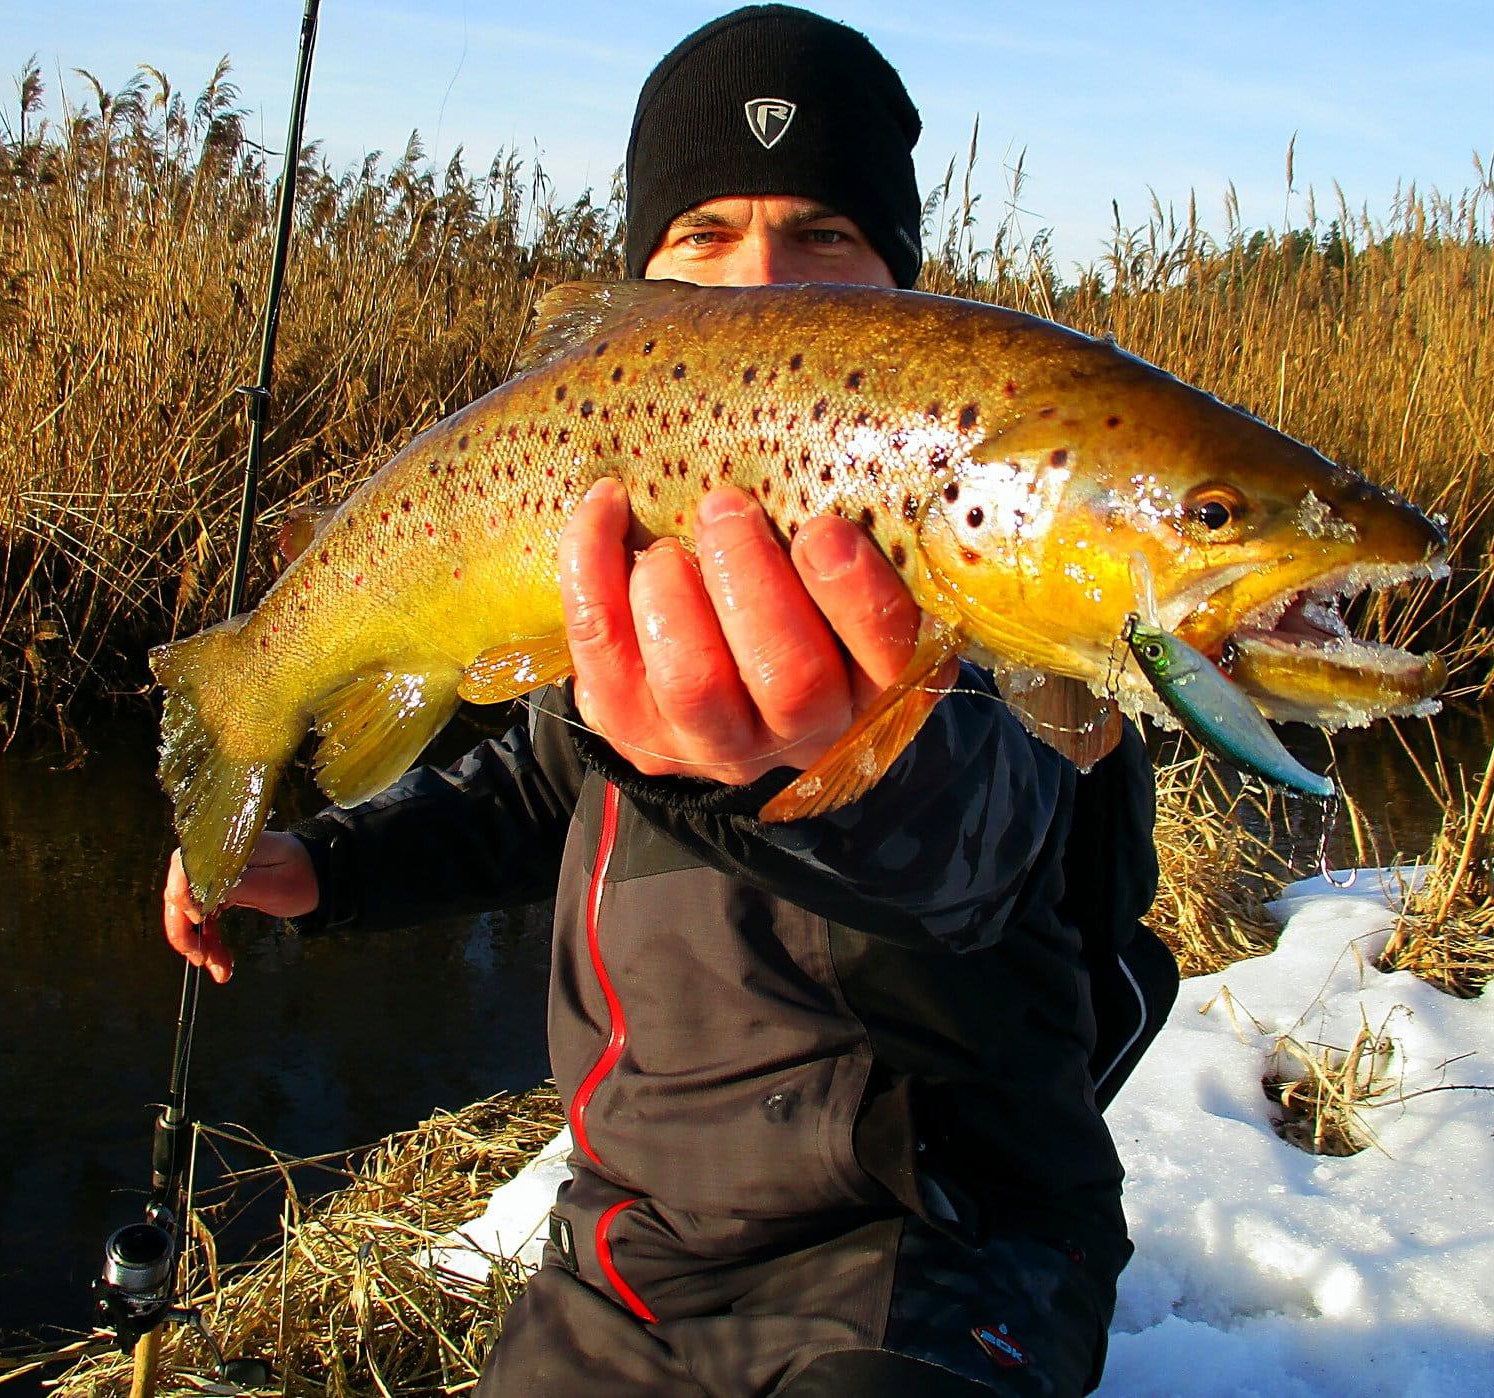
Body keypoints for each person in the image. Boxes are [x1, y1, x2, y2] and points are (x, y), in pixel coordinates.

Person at [161, 7, 1176, 1394]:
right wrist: (323, 866)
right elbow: (535, 786)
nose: (758, 278)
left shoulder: (1006, 584)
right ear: (638, 274)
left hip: (938, 1249)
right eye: (703, 232)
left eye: (822, 232)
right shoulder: (610, 498)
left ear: (903, 281)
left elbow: (987, 851)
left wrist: (804, 764)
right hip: (627, 1250)